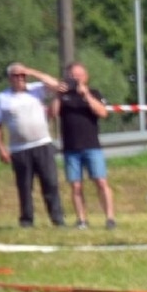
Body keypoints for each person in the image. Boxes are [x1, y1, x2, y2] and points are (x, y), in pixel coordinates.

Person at [0, 63, 65, 227]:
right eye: (16, 76)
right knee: (24, 187)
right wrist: (1, 148)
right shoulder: (2, 97)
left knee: (50, 183)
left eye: (22, 76)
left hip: (42, 144)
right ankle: (26, 220)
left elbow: (57, 85)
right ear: (9, 78)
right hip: (19, 149)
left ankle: (57, 219)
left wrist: (31, 71)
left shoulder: (36, 89)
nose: (20, 79)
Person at [55, 62, 117, 231]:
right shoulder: (63, 95)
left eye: (79, 76)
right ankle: (81, 219)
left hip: (92, 146)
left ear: (86, 76)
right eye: (73, 76)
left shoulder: (94, 93)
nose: (76, 79)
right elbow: (52, 114)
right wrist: (58, 96)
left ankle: (110, 218)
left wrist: (86, 95)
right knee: (76, 185)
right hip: (70, 147)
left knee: (101, 181)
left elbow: (103, 113)